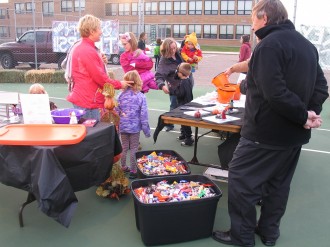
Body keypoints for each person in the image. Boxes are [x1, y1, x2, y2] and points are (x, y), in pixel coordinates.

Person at [212, 1, 329, 246]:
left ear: (264, 17)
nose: (251, 24)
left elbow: (274, 92)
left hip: (263, 133)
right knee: (277, 186)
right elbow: (321, 86)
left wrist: (303, 115)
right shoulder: (306, 46)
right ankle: (269, 232)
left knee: (242, 182)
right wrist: (309, 112)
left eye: (253, 19)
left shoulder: (269, 46)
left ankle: (242, 236)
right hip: (294, 136)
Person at [66, 14, 132, 121]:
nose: (101, 32)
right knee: (92, 135)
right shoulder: (87, 50)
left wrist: (100, 61)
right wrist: (120, 84)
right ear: (92, 31)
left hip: (85, 99)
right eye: (99, 29)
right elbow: (101, 79)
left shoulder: (84, 47)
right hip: (88, 101)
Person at [115, 70, 151, 179]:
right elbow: (143, 115)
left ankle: (123, 166)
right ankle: (134, 170)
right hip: (135, 128)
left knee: (124, 147)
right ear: (138, 81)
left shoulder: (120, 95)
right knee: (134, 148)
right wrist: (146, 131)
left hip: (123, 126)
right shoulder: (140, 97)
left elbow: (116, 111)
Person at [155, 38, 194, 132]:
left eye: (174, 48)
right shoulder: (164, 61)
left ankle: (184, 129)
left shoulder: (180, 53)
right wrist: (162, 85)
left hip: (187, 83)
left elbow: (191, 56)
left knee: (185, 106)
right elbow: (159, 75)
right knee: (174, 105)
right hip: (175, 87)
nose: (173, 50)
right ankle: (169, 124)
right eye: (171, 49)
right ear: (166, 50)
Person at [168, 62, 194, 146]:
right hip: (186, 103)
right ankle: (184, 134)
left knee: (185, 122)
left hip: (184, 104)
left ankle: (189, 138)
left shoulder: (183, 82)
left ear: (180, 73)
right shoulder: (187, 79)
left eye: (178, 71)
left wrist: (171, 89)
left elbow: (180, 94)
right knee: (182, 121)